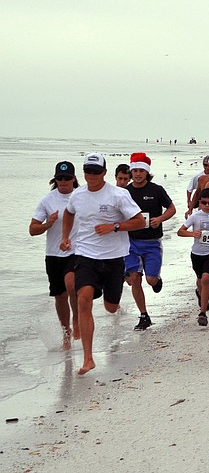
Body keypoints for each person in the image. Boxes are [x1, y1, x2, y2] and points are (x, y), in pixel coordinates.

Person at [60, 153, 145, 375]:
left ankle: (114, 302)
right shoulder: (77, 195)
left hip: (114, 258)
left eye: (96, 172)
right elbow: (68, 214)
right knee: (83, 299)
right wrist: (65, 236)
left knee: (111, 307)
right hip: (86, 255)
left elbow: (140, 221)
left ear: (104, 173)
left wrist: (114, 227)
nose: (92, 176)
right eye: (88, 171)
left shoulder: (118, 194)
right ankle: (88, 358)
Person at [30, 161, 80, 350]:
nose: (63, 181)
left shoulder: (81, 196)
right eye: (60, 178)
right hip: (53, 254)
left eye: (67, 178)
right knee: (60, 296)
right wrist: (47, 224)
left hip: (77, 250)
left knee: (72, 285)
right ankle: (66, 333)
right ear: (55, 179)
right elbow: (32, 229)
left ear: (74, 179)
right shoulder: (47, 200)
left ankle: (77, 321)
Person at [124, 152, 176, 331]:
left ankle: (157, 280)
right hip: (131, 242)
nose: (138, 174)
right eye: (135, 170)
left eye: (141, 171)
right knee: (134, 278)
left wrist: (160, 219)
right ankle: (144, 315)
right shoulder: (125, 192)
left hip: (152, 242)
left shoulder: (156, 190)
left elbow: (172, 209)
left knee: (150, 280)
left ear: (147, 172)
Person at [177, 188, 209, 326]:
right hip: (196, 254)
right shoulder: (195, 216)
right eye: (204, 203)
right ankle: (201, 295)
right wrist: (192, 234)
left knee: (206, 279)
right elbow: (180, 232)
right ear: (199, 203)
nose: (207, 206)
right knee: (200, 280)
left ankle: (203, 313)